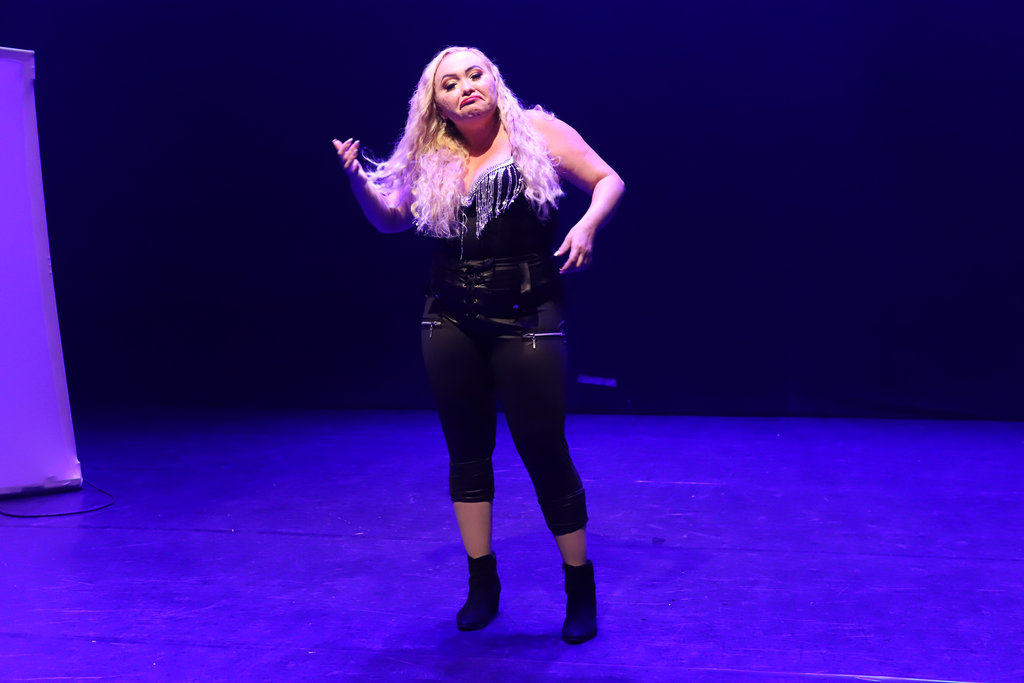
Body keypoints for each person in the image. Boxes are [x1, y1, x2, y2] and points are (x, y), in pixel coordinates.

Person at [333, 46, 624, 645]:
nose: (465, 86)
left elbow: (607, 180)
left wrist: (587, 225)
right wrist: (358, 180)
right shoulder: (432, 152)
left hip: (527, 312)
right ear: (435, 103)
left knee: (543, 449)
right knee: (466, 452)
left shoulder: (535, 131)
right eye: (449, 83)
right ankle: (482, 583)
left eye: (474, 74)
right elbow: (391, 219)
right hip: (449, 316)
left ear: (494, 80)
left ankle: (579, 585)